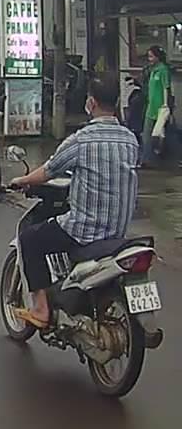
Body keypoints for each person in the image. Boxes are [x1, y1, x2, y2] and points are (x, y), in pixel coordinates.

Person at [8, 74, 139, 328]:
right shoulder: (130, 139)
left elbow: (48, 170)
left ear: (91, 103)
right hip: (118, 231)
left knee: (29, 239)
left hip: (84, 230)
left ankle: (41, 309)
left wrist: (22, 180)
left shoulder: (82, 139)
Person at [141, 45, 171, 167]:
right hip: (151, 106)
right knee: (146, 134)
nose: (150, 59)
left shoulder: (163, 70)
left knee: (158, 135)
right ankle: (146, 159)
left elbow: (165, 88)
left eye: (151, 56)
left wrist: (165, 105)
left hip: (160, 108)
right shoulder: (153, 70)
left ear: (158, 57)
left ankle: (154, 160)